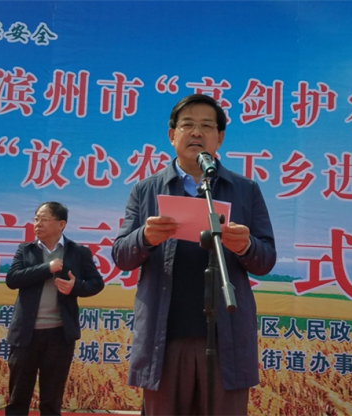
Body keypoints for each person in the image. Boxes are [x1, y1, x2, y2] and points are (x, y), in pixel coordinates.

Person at [112, 94, 276, 415]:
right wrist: (144, 237)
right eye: (187, 125)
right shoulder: (146, 190)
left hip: (226, 340)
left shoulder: (245, 190)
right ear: (172, 135)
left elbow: (266, 259)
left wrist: (246, 246)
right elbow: (121, 256)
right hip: (164, 339)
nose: (196, 132)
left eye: (206, 126)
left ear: (220, 138)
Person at [5, 201, 104, 416]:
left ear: (61, 224)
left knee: (51, 401)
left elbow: (97, 283)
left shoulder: (78, 252)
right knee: (18, 398)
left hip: (59, 335)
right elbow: (12, 279)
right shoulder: (26, 250)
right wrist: (46, 268)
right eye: (36, 219)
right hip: (25, 334)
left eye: (44, 219)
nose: (38, 224)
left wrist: (75, 287)